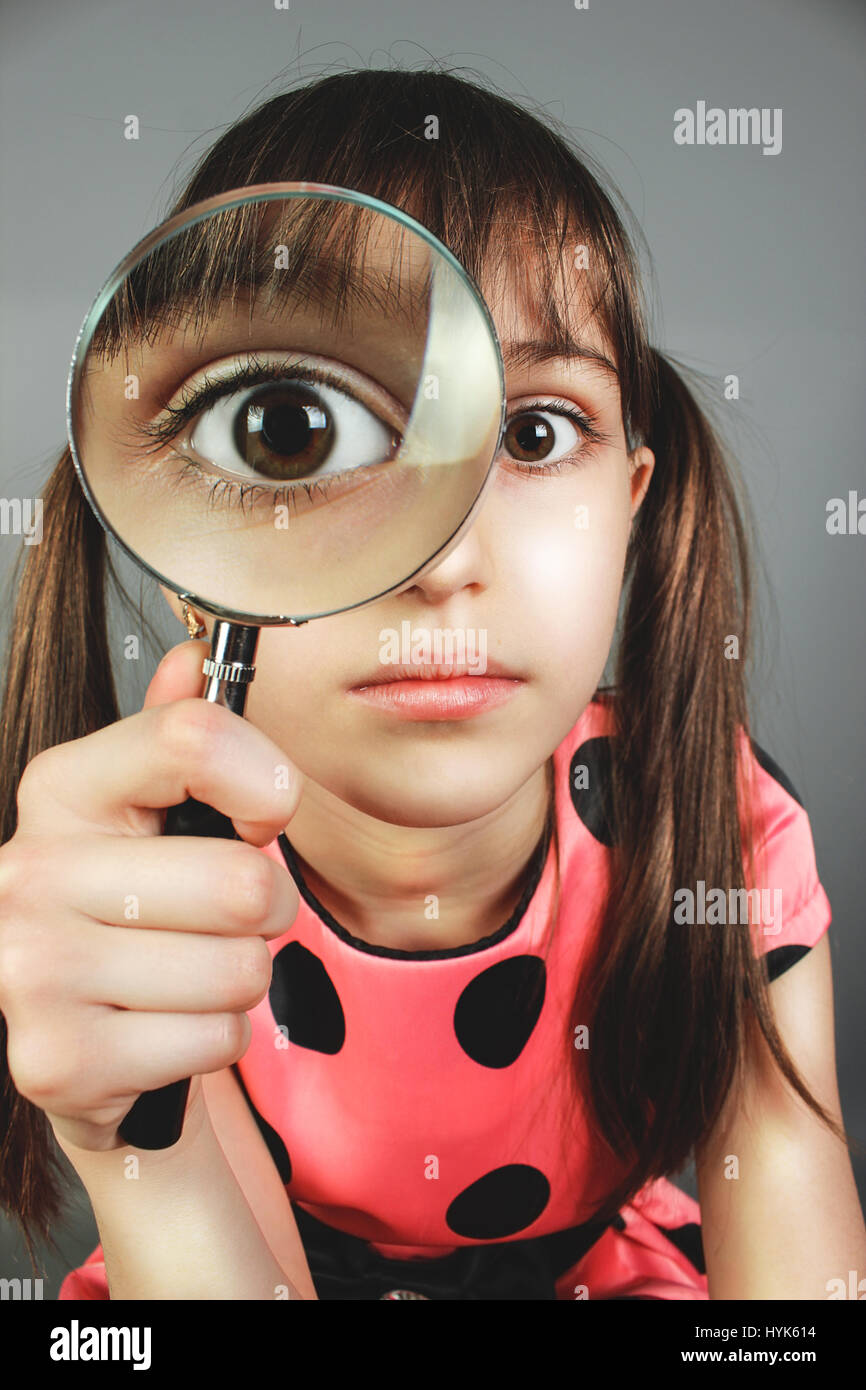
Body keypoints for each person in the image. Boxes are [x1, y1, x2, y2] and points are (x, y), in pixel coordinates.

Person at [0, 64, 863, 1302]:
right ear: (181, 552)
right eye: (293, 429)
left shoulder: (715, 827)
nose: (445, 560)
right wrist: (137, 1144)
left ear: (628, 506)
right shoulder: (158, 875)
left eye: (532, 433)